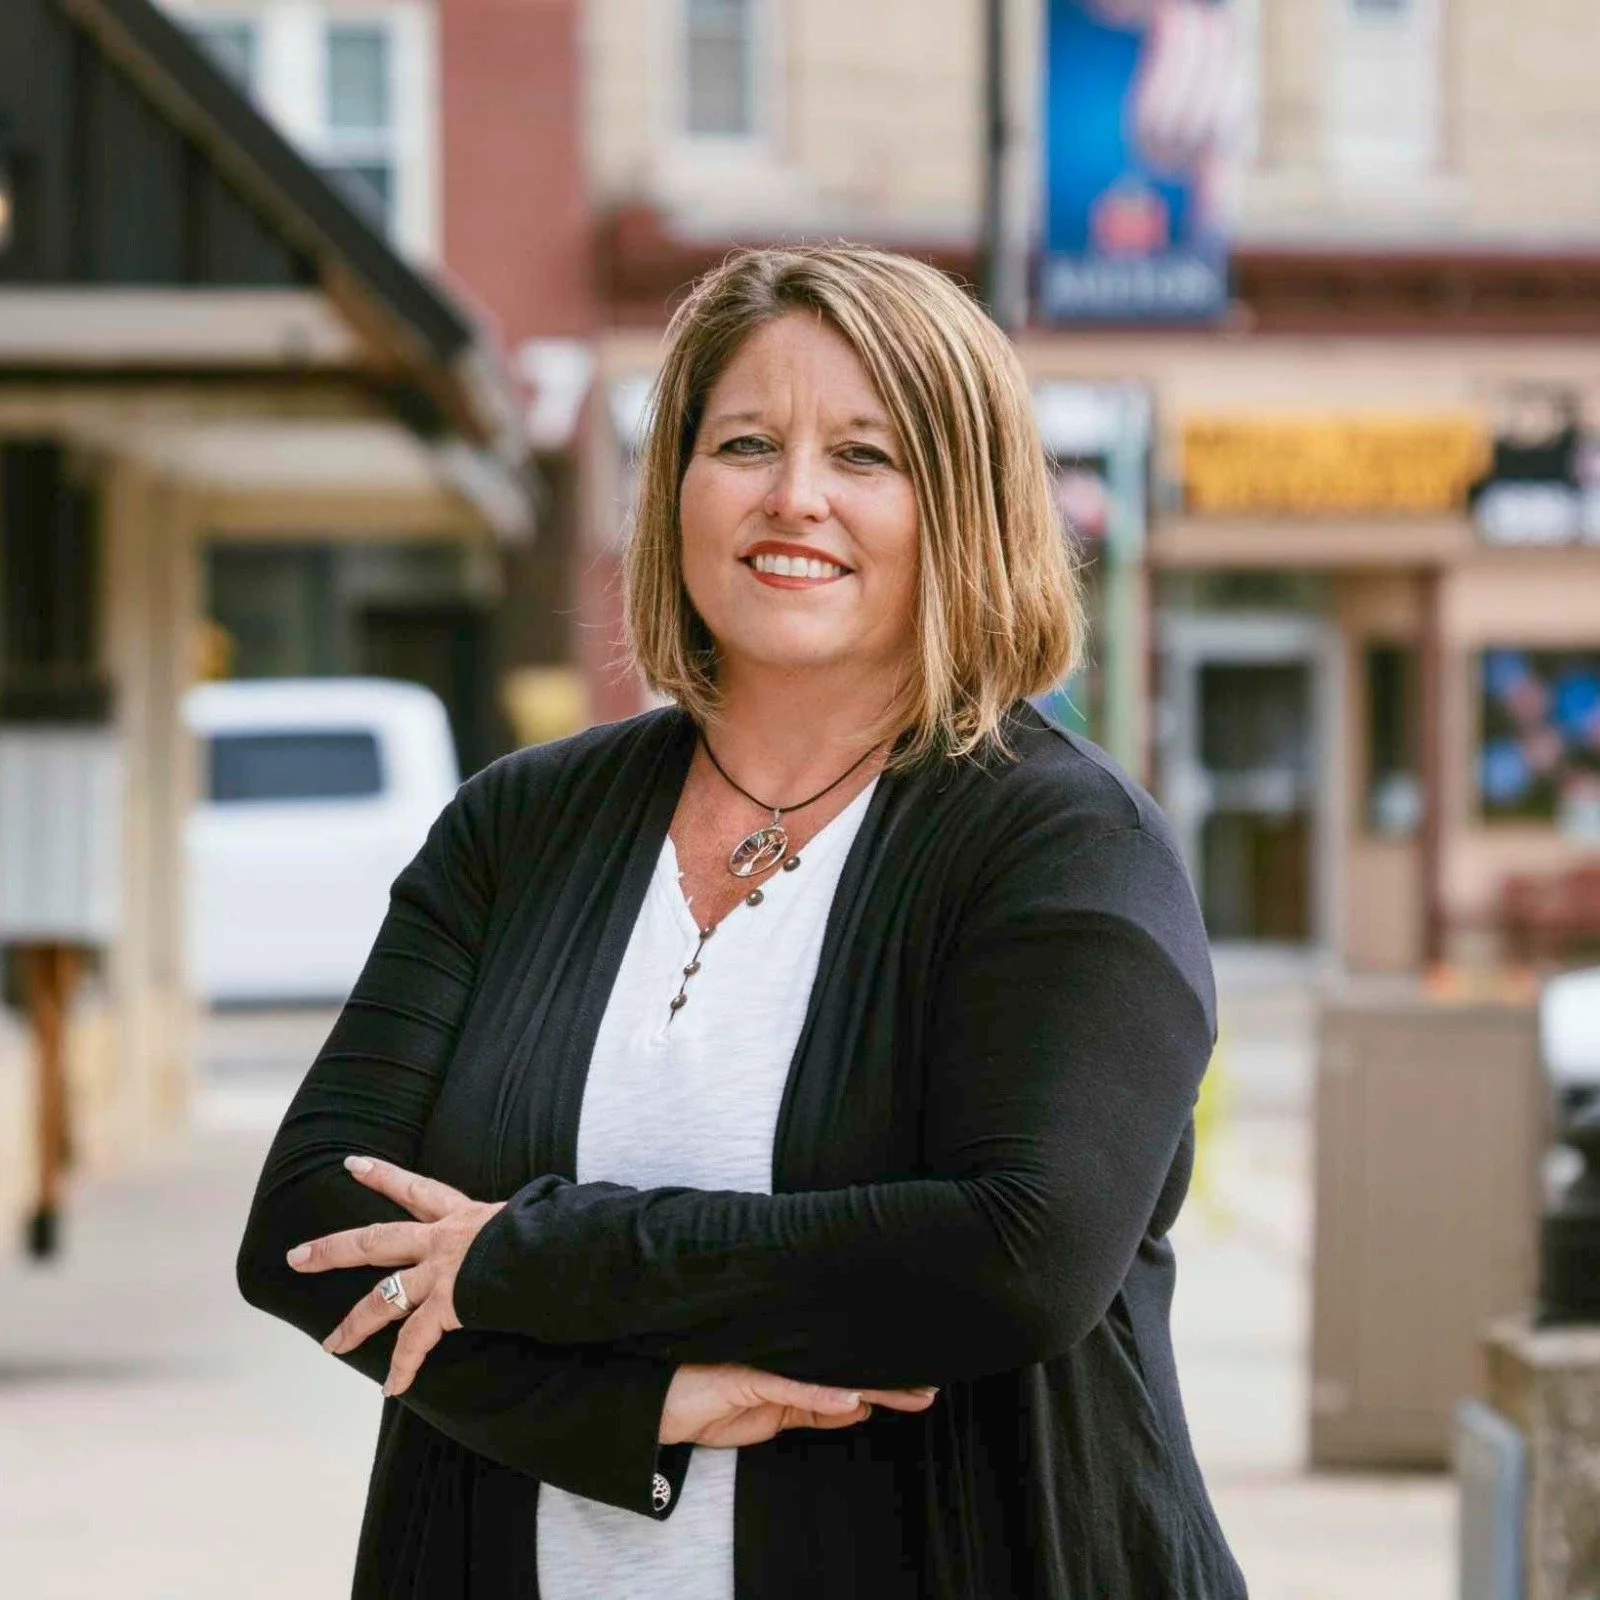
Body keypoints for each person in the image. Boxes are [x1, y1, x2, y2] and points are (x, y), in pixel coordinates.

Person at [237, 243, 1246, 1600]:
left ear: (967, 508)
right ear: (675, 490)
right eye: (745, 444)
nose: (794, 499)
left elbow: (1017, 1255)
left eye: (868, 457)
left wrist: (524, 1255)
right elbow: (307, 1230)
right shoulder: (520, 825)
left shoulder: (1063, 845)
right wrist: (628, 1408)